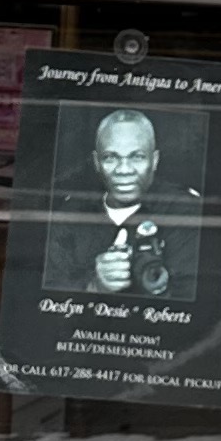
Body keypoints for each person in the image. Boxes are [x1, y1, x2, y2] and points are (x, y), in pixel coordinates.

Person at [64, 105, 193, 306]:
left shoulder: (185, 212)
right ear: (97, 162)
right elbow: (46, 297)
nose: (124, 170)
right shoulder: (69, 214)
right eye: (110, 157)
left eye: (137, 157)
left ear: (154, 160)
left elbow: (197, 306)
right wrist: (96, 287)